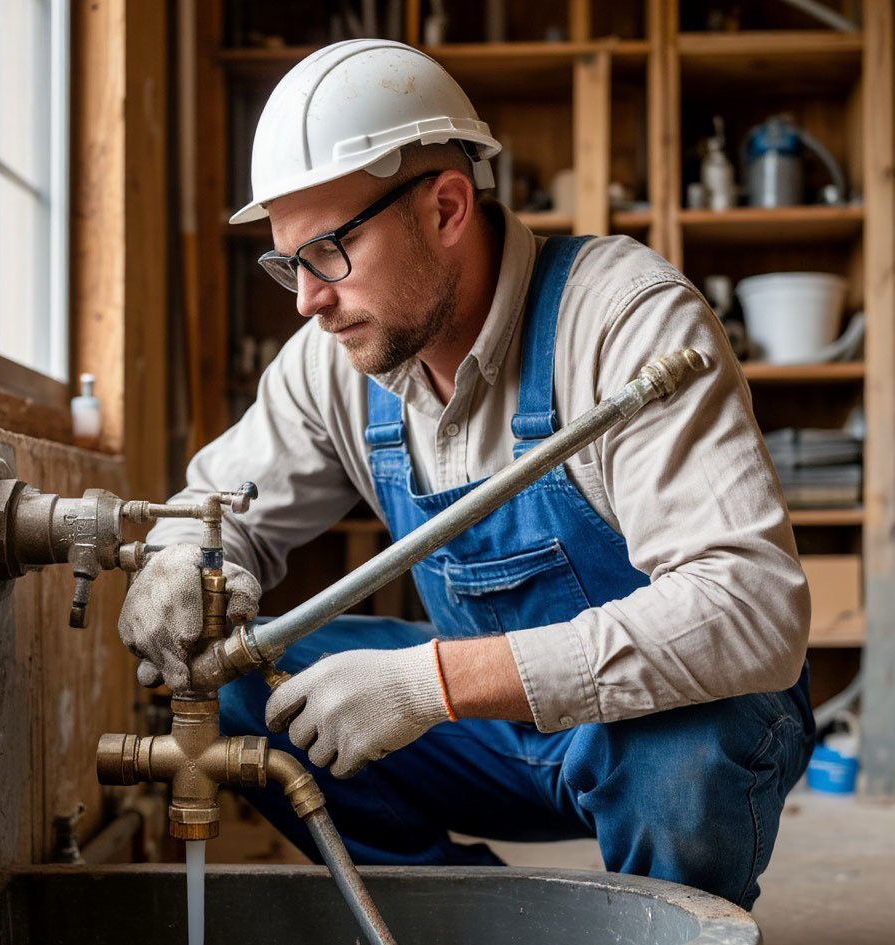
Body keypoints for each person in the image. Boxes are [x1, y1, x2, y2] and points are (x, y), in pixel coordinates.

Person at [120, 38, 814, 909]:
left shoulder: (621, 318)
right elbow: (219, 512)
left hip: (665, 727)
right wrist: (183, 556)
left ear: (447, 206)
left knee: (682, 754)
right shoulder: (334, 362)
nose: (306, 299)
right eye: (287, 262)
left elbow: (750, 606)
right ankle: (463, 921)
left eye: (329, 251)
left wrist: (432, 684)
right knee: (247, 694)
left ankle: (659, 925)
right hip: (495, 736)